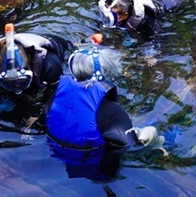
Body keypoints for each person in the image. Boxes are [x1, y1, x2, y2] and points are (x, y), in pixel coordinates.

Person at [44, 46, 161, 179]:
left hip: (57, 154)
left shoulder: (58, 92)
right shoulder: (110, 110)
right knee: (154, 130)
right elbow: (130, 144)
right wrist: (146, 134)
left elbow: (46, 115)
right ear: (107, 73)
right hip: (94, 163)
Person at [0, 24, 71, 101]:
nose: (17, 89)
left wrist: (37, 115)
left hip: (53, 42)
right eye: (9, 83)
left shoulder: (50, 65)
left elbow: (55, 96)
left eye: (22, 81)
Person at [97, 0, 189, 36]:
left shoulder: (146, 21)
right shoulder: (123, 5)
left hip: (174, 1)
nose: (106, 17)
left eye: (111, 15)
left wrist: (149, 55)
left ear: (125, 14)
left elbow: (156, 37)